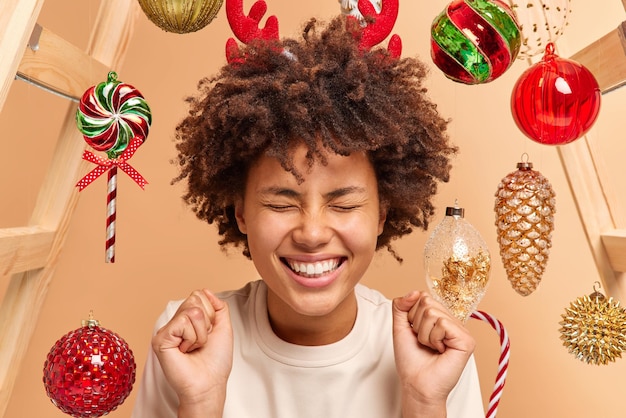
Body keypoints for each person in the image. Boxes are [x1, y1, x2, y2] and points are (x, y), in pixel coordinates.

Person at [132, 11, 485, 418]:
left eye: (345, 204)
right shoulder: (186, 342)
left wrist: (425, 402)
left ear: (383, 213)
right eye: (281, 204)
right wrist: (200, 402)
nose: (312, 233)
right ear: (241, 212)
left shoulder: (438, 354)